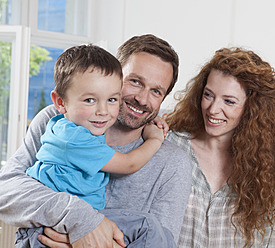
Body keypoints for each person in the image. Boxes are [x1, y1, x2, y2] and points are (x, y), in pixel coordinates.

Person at [0, 34, 191, 248]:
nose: (142, 99)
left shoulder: (173, 163)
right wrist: (81, 220)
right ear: (115, 77)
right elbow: (6, 190)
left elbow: (161, 243)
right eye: (135, 82)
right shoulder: (55, 120)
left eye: (156, 91)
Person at [166, 47, 275, 247]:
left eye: (229, 101)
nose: (213, 109)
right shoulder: (170, 145)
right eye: (208, 95)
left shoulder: (268, 172)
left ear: (253, 109)